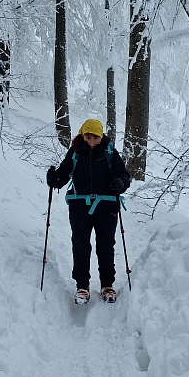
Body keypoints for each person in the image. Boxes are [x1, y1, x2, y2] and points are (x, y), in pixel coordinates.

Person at [46, 119, 131, 304]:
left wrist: (122, 183)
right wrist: (53, 178)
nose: (91, 141)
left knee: (106, 245)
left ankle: (107, 284)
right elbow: (62, 176)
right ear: (82, 135)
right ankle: (82, 287)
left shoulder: (110, 152)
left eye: (95, 138)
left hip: (107, 205)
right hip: (79, 206)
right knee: (80, 244)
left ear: (101, 136)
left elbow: (123, 174)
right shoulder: (76, 152)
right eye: (88, 137)